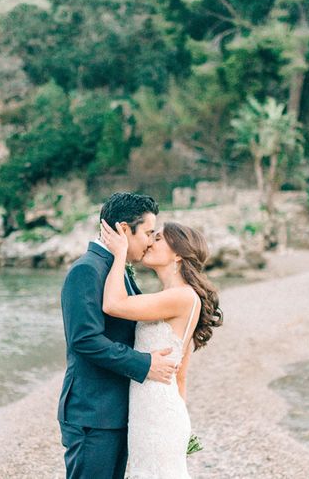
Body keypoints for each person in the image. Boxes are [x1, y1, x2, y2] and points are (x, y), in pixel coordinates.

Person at [58, 193, 178, 479]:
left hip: (114, 410)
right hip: (93, 412)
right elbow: (85, 340)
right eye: (148, 233)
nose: (151, 241)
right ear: (124, 229)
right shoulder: (87, 269)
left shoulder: (115, 268)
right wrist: (145, 364)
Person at [101, 219, 223, 479]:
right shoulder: (172, 295)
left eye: (157, 238)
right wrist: (180, 424)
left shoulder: (181, 296)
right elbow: (181, 375)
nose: (149, 243)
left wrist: (120, 253)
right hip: (153, 411)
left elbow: (112, 304)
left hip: (157, 414)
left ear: (177, 254)